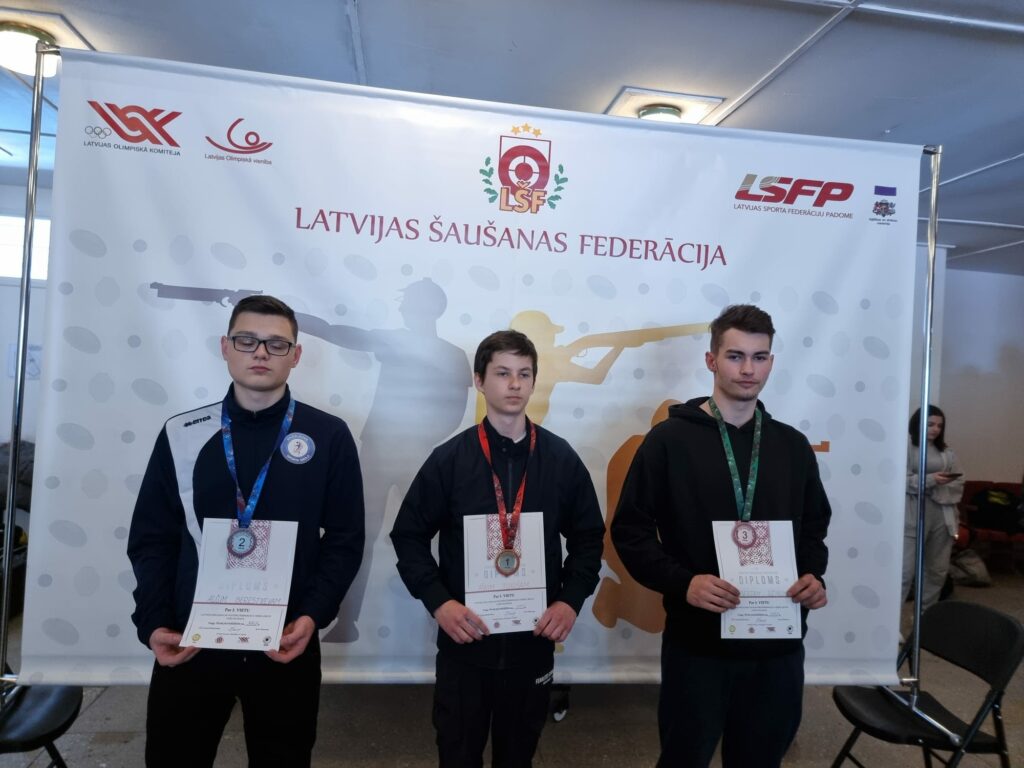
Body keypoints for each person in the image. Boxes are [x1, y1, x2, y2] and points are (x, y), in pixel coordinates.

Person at [127, 295, 365, 767]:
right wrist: (154, 622)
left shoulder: (329, 435)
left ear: (296, 355)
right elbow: (153, 539)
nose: (260, 352)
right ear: (225, 347)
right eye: (247, 340)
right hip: (192, 641)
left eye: (277, 344)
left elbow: (344, 538)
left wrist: (312, 615)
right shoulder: (182, 433)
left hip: (285, 641)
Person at [611, 304, 831, 768]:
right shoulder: (668, 441)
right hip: (699, 644)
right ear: (711, 360)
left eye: (759, 357)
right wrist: (684, 583)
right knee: (684, 758)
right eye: (735, 356)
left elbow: (814, 527)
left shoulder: (792, 446)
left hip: (777, 642)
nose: (748, 369)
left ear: (771, 362)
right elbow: (630, 531)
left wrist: (813, 575)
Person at [390, 329, 604, 767]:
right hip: (466, 643)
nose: (514, 384)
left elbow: (588, 538)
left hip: (532, 644)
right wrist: (439, 602)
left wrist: (570, 601)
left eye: (524, 374)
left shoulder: (560, 459)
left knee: (518, 756)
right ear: (479, 381)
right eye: (503, 373)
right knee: (457, 754)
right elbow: (408, 535)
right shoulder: (450, 459)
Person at [902, 404, 965, 611]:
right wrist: (930, 480)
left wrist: (934, 488)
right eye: (930, 424)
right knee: (904, 572)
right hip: (911, 514)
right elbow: (899, 482)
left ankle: (923, 615)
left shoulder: (946, 451)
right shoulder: (905, 447)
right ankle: (892, 620)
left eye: (939, 425)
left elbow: (959, 482)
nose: (935, 429)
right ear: (918, 423)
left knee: (937, 571)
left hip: (943, 515)